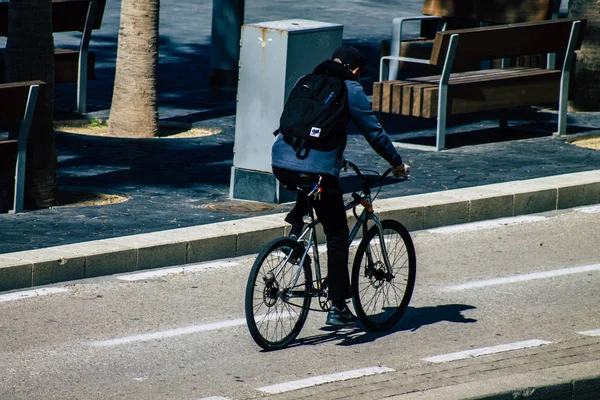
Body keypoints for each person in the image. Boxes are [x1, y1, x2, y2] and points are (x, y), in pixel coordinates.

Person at [271, 45, 410, 327]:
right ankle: (338, 306)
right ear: (356, 70)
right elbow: (374, 131)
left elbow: (307, 124)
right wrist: (396, 161)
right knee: (336, 234)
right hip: (317, 170)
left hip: (280, 162)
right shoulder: (351, 88)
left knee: (310, 187)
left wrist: (336, 157)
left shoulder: (307, 79)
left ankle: (295, 230)